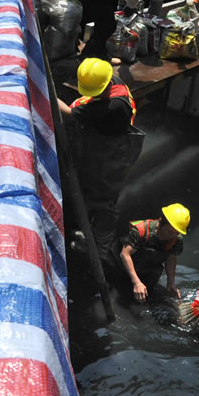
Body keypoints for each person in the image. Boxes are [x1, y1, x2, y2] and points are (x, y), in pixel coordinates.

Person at [58, 58, 142, 254]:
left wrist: (46, 94)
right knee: (91, 193)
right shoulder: (114, 80)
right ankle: (88, 231)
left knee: (104, 200)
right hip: (108, 147)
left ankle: (100, 246)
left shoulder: (112, 106)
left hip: (112, 154)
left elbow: (69, 113)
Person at [119, 203, 190, 301]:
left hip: (148, 272)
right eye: (170, 232)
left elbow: (171, 258)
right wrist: (136, 282)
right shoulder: (141, 231)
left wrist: (171, 283)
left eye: (176, 233)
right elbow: (125, 254)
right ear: (161, 222)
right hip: (126, 269)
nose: (172, 236)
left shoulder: (176, 239)